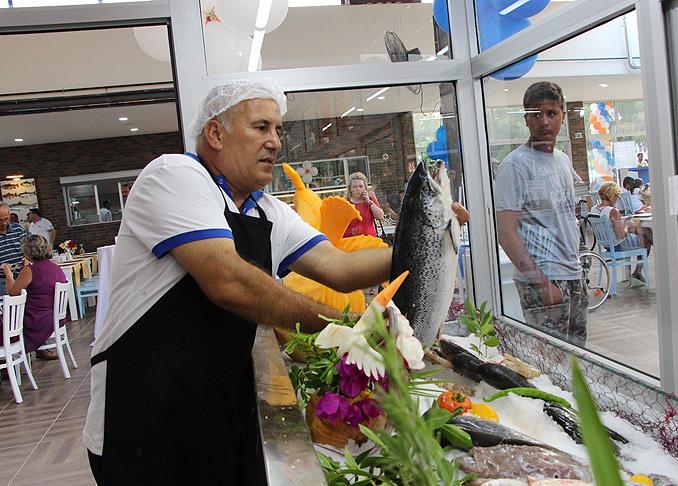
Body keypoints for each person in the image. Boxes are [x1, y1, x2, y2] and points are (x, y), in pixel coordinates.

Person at [81, 79, 466, 484]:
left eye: (278, 130)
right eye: (261, 127)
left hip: (216, 408)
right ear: (215, 133)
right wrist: (350, 329)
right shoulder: (174, 176)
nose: (275, 141)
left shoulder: (266, 210)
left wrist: (428, 239)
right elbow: (230, 282)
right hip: (145, 416)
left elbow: (339, 266)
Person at [494, 81, 588, 346]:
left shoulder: (562, 159)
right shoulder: (514, 166)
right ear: (526, 119)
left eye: (551, 113)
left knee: (581, 361)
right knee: (551, 365)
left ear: (563, 116)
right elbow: (506, 232)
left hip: (573, 273)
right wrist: (541, 282)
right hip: (543, 280)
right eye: (536, 114)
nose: (545, 121)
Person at [1, 235, 67, 360]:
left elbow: (13, 292)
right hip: (54, 317)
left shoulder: (30, 271)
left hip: (36, 321)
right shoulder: (55, 268)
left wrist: (8, 274)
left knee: (3, 322)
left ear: (27, 252)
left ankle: (5, 360)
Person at [592, 181, 652, 283]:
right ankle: (638, 270)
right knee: (646, 237)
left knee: (642, 231)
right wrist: (627, 226)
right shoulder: (613, 211)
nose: (618, 199)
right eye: (617, 196)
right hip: (618, 245)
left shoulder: (594, 209)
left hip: (606, 245)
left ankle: (635, 273)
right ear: (612, 196)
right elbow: (621, 235)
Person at [343, 172, 385, 237]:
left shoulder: (370, 198)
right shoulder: (345, 202)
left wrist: (369, 202)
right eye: (354, 187)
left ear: (365, 188)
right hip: (351, 240)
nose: (358, 189)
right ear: (350, 189)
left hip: (369, 239)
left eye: (361, 186)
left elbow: (380, 216)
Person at [0, 204, 25, 296]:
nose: (4, 223)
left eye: (6, 219)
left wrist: (27, 258)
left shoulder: (18, 229)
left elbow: (29, 249)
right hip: (3, 279)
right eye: (0, 220)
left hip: (23, 275)